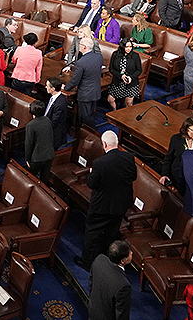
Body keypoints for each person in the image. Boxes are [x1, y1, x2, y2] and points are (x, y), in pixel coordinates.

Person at [76, 131, 137, 271]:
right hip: (120, 205)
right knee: (111, 232)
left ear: (104, 144)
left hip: (101, 206)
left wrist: (92, 173)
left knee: (92, 232)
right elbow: (133, 177)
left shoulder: (99, 163)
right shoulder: (129, 158)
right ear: (117, 143)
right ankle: (109, 259)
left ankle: (87, 262)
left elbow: (92, 184)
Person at [88, 240, 132, 320]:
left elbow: (91, 283)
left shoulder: (99, 259)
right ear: (122, 261)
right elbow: (122, 314)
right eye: (129, 253)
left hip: (93, 311)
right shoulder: (123, 285)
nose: (131, 253)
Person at [66, 36, 103, 127]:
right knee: (91, 115)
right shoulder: (99, 57)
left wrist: (65, 88)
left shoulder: (81, 63)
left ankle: (88, 136)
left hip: (85, 94)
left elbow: (75, 80)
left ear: (84, 47)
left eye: (80, 44)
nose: (79, 45)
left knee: (85, 119)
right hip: (96, 92)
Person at [160, 117, 193, 195]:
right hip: (177, 176)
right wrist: (165, 174)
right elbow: (168, 158)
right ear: (186, 129)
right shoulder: (176, 139)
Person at [23, 100, 55, 181]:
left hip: (38, 158)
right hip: (49, 155)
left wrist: (27, 159)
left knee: (30, 178)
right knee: (44, 178)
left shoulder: (30, 125)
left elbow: (28, 144)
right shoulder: (47, 120)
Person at [107, 39, 142, 110]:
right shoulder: (115, 54)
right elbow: (111, 68)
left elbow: (139, 70)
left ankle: (127, 116)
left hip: (131, 83)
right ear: (122, 47)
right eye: (126, 47)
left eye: (130, 46)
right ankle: (115, 112)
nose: (129, 49)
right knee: (110, 99)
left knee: (129, 102)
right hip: (118, 81)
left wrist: (131, 77)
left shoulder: (135, 56)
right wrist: (120, 76)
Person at [43, 77, 69, 148]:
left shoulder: (59, 104)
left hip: (54, 135)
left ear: (53, 89)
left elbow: (54, 122)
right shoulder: (54, 97)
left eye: (47, 86)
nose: (46, 87)